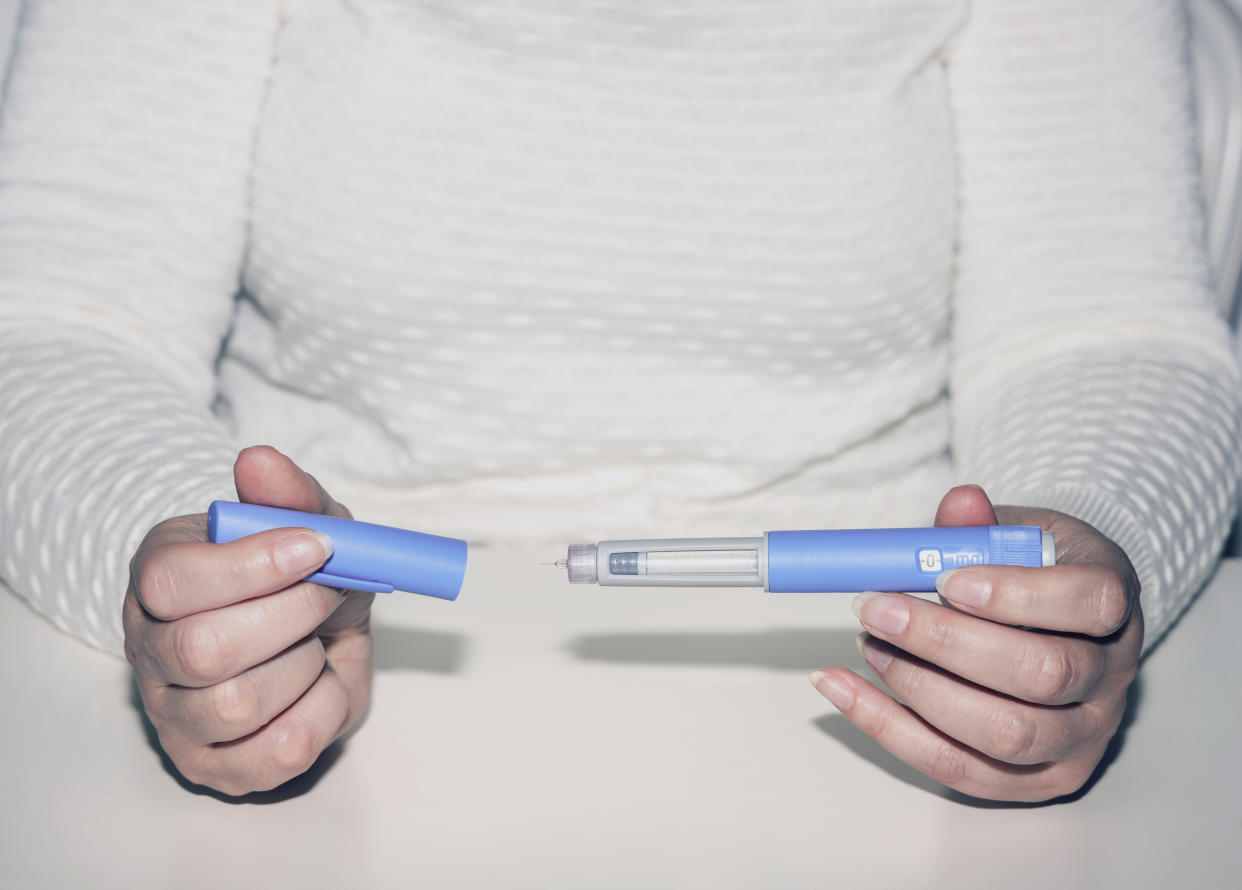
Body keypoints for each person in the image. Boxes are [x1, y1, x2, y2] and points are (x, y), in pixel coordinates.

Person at [0, 0, 1238, 802]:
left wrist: (1070, 577)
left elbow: (1109, 323)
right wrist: (190, 569)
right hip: (341, 692)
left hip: (888, 679)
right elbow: (59, 319)